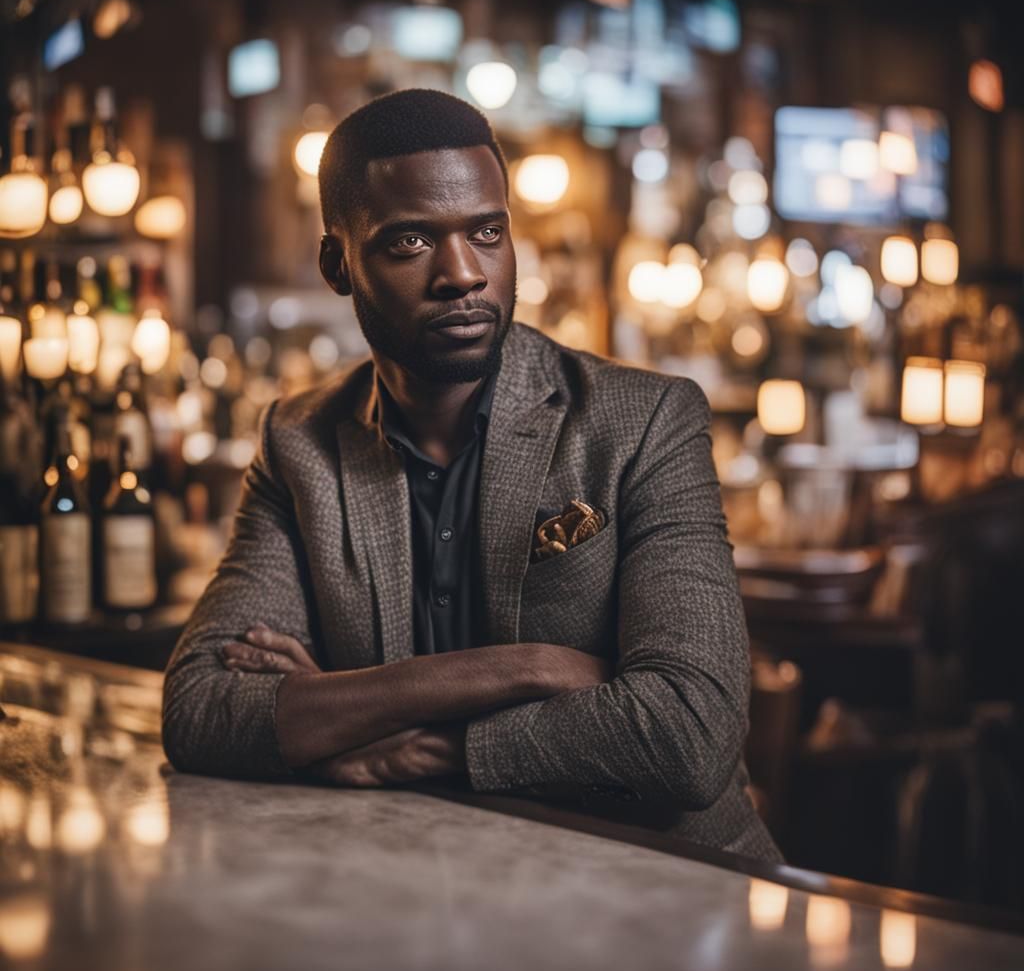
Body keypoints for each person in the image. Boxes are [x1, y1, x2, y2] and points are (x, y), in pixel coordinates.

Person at [162, 88, 781, 862]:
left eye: (487, 232)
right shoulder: (299, 444)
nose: (462, 274)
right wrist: (531, 668)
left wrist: (403, 737)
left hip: (674, 886)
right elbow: (201, 708)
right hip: (423, 883)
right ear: (337, 264)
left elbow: (688, 734)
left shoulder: (644, 421)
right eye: (409, 242)